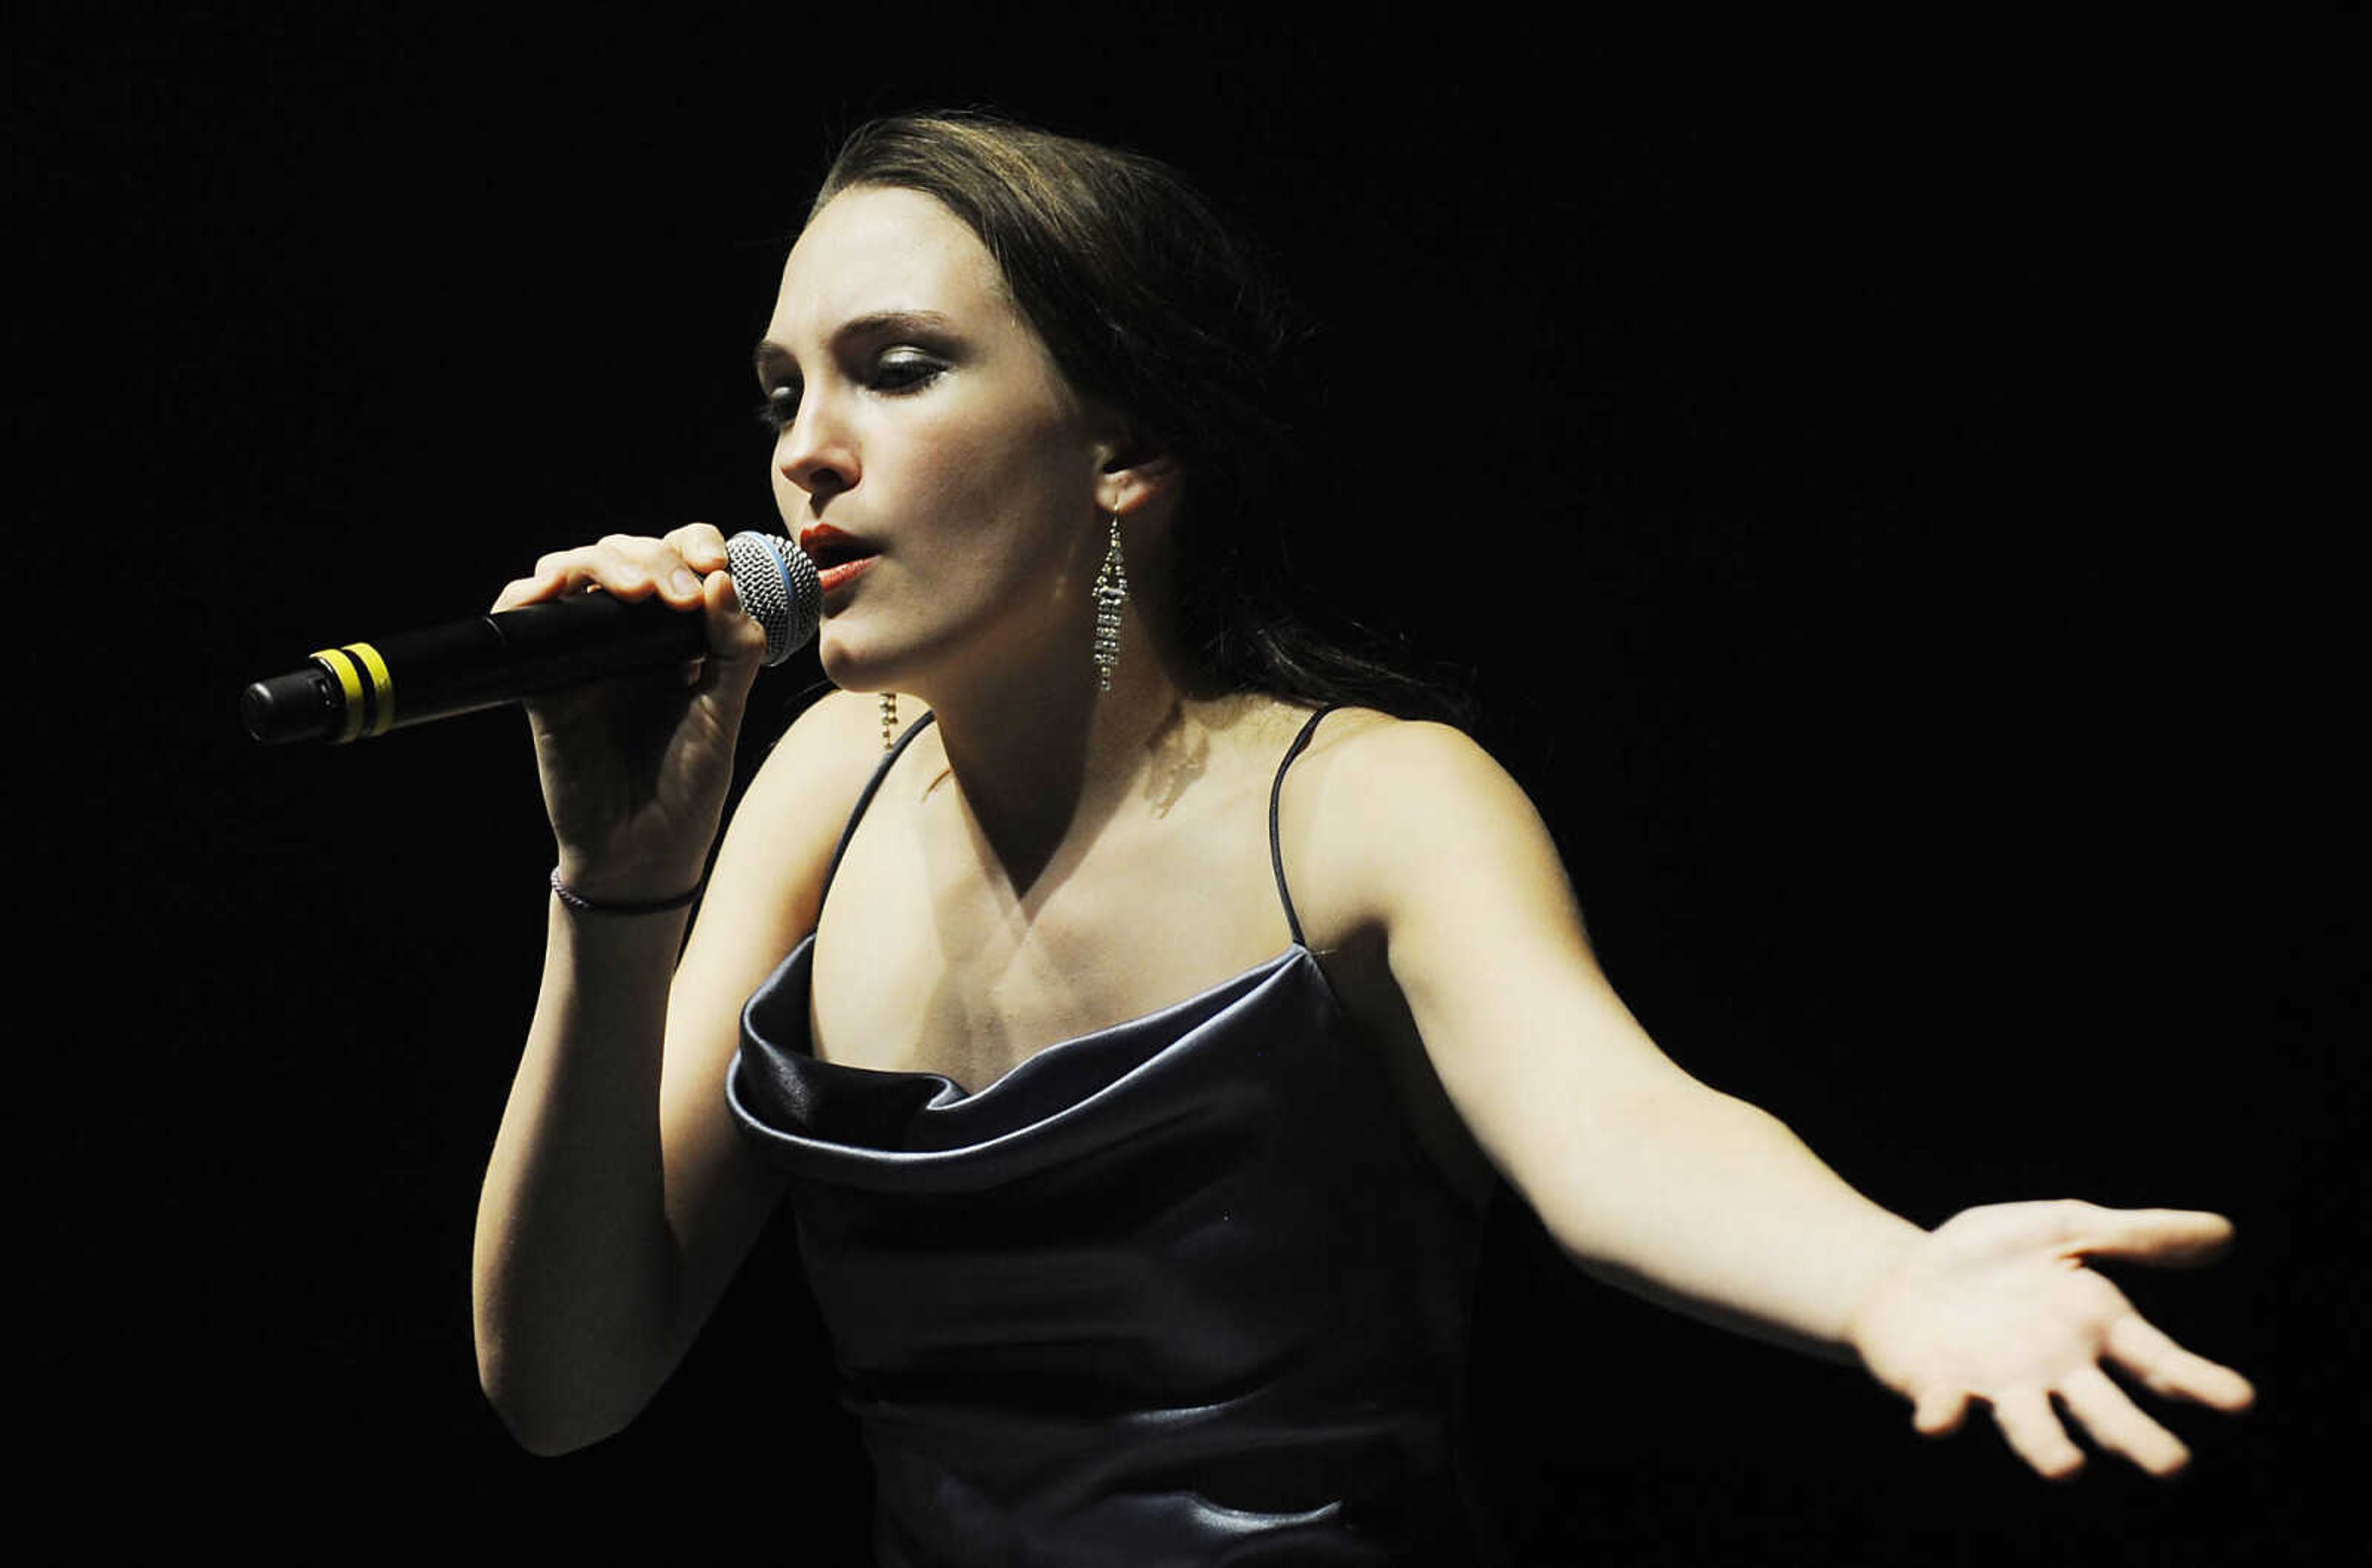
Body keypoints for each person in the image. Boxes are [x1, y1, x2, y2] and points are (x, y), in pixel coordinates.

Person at [469, 112, 2254, 1565]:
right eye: (783, 393)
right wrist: (614, 886)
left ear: (1124, 444)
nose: (809, 458)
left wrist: (1889, 1274)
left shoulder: (1367, 802)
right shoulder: (819, 784)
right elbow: (563, 1385)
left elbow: (1619, 1133)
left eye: (899, 370)